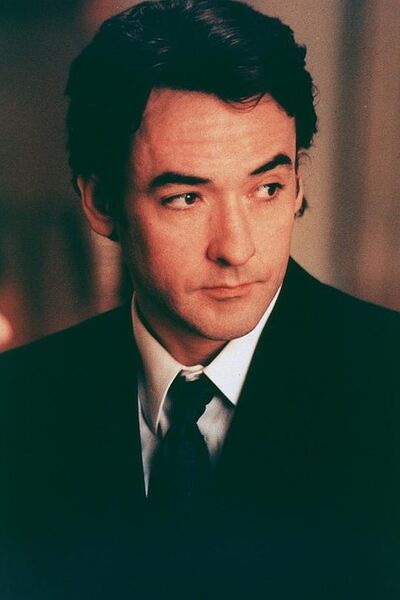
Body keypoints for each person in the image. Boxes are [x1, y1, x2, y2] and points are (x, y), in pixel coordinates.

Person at [1, 1, 399, 598]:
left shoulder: (387, 379)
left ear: (298, 183)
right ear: (101, 203)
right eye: (187, 198)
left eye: (267, 188)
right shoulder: (18, 403)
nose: (236, 248)